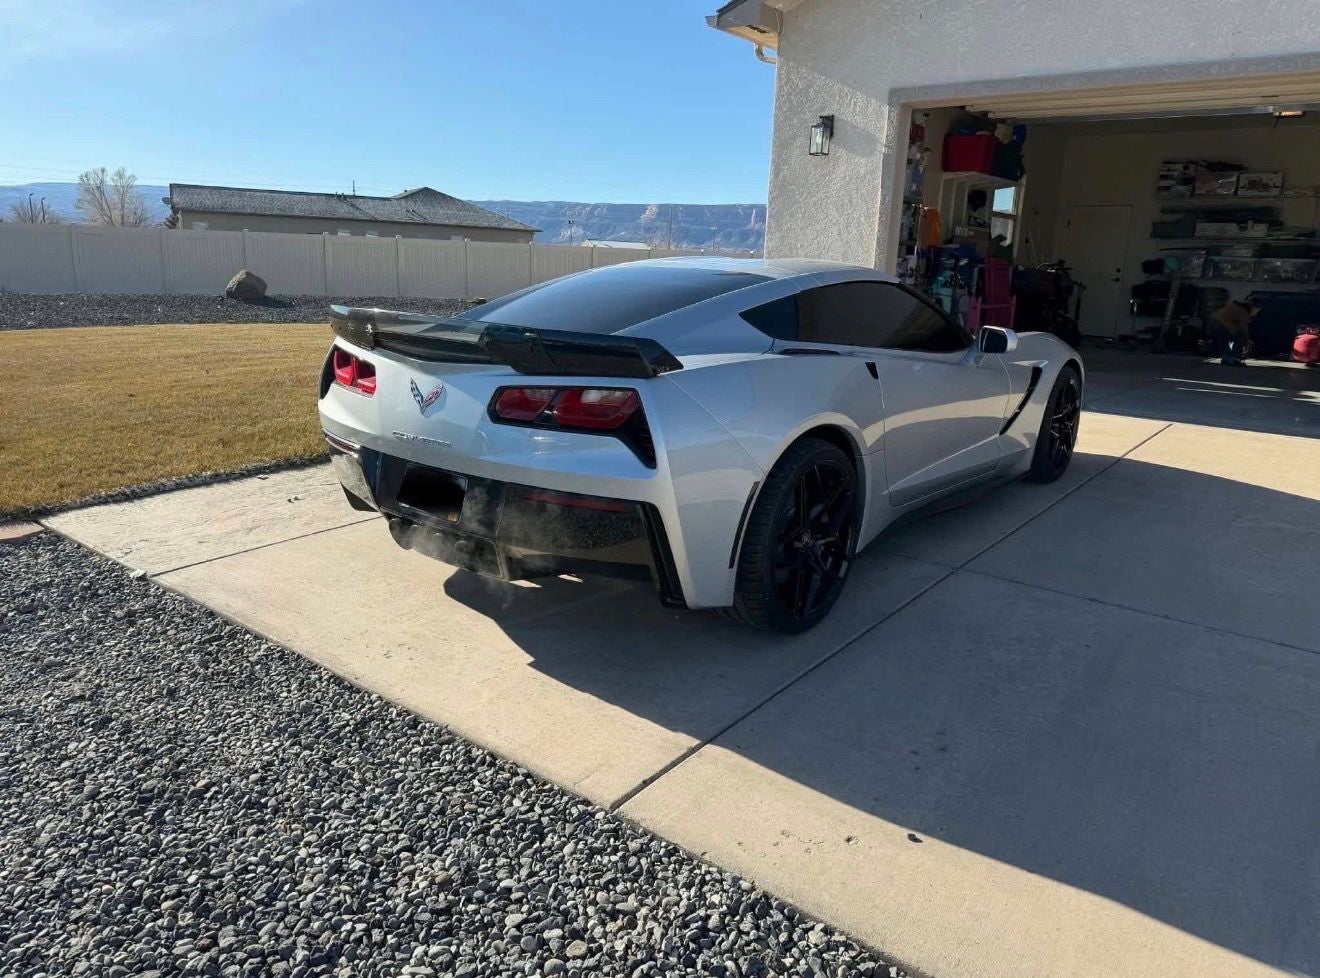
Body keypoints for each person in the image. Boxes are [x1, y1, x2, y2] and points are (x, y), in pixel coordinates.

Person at [1210, 298, 1259, 366]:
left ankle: (1225, 358)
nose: (1256, 313)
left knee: (1224, 341)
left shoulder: (1236, 306)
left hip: (1215, 320)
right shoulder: (1243, 312)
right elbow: (1244, 328)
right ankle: (1234, 358)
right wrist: (1247, 340)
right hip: (1223, 324)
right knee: (1238, 339)